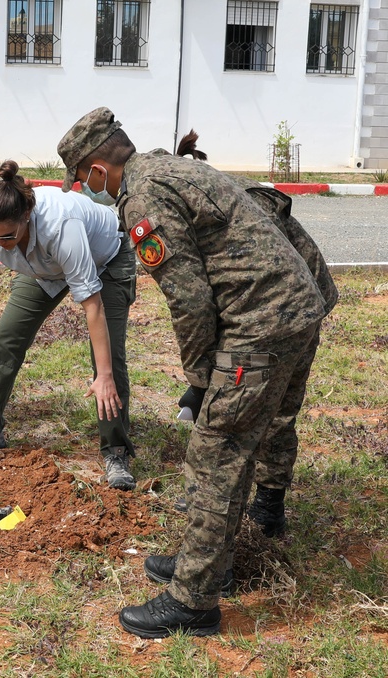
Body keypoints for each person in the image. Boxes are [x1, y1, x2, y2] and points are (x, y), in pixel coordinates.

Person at [58, 107, 329, 638]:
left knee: (217, 450)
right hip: (296, 309)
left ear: (94, 169)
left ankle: (194, 600)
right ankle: (212, 563)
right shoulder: (168, 167)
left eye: (79, 178)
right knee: (243, 438)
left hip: (260, 325)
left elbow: (189, 297)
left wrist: (201, 376)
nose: (82, 188)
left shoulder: (143, 196)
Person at [0, 161, 138, 490]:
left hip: (105, 258)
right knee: (6, 338)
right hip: (44, 268)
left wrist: (104, 376)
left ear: (26, 216)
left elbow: (92, 305)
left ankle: (116, 451)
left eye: (8, 236)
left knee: (108, 355)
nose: (1, 244)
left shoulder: (60, 226)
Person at [172, 132, 339, 538]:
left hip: (292, 309)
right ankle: (222, 498)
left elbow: (261, 284)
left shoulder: (244, 203)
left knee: (276, 407)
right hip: (271, 310)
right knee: (245, 401)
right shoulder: (207, 204)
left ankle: (267, 504)